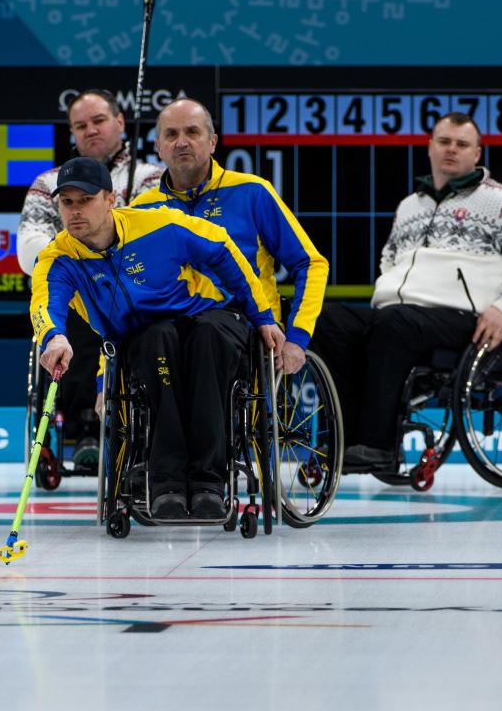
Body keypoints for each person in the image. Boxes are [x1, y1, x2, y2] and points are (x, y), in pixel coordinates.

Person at [308, 112, 502, 467]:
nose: (452, 149)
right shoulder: (409, 206)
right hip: (399, 314)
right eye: (444, 141)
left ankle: (379, 446)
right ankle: (345, 438)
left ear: (477, 154)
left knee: (396, 324)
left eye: (462, 144)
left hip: (465, 318)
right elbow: (390, 261)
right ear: (430, 147)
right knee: (328, 319)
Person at [31, 156, 285, 520]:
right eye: (66, 202)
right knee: (155, 340)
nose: (75, 211)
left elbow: (221, 247)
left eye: (85, 200)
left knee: (206, 339)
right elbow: (45, 301)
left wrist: (262, 316)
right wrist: (54, 337)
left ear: (110, 199)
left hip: (204, 316)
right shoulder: (59, 257)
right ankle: (165, 483)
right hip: (145, 339)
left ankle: (209, 482)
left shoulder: (159, 223)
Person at [17, 90, 163, 467]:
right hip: (83, 290)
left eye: (98, 121)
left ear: (119, 123)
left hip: (141, 291)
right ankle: (86, 428)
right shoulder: (49, 182)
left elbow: (154, 238)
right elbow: (29, 248)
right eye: (80, 125)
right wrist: (91, 254)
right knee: (76, 307)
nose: (90, 130)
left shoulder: (151, 177)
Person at [131, 98, 327, 376]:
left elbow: (310, 264)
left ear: (212, 142)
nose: (182, 142)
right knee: (153, 338)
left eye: (193, 132)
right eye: (171, 134)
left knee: (207, 332)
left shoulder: (252, 192)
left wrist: (297, 338)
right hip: (171, 331)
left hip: (245, 329)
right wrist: (104, 381)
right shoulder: (141, 209)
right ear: (158, 147)